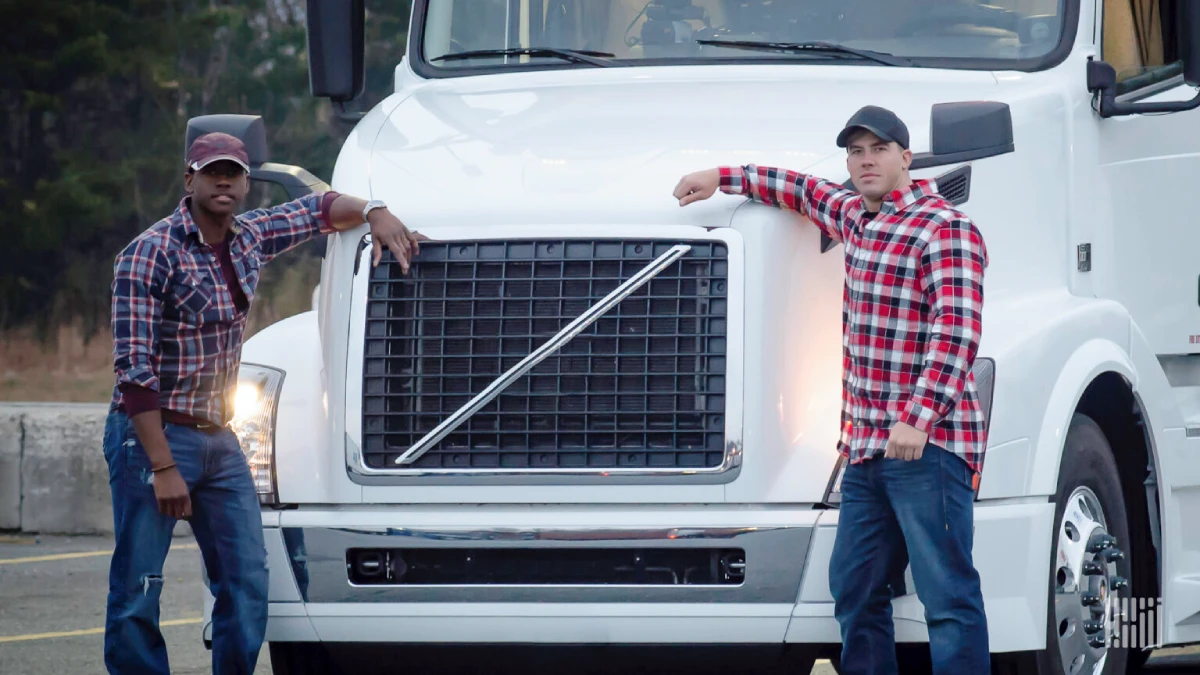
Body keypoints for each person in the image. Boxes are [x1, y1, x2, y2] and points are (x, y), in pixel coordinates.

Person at [672, 105, 991, 675]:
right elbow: (799, 188)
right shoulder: (854, 216)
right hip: (865, 449)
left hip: (929, 448)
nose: (866, 161)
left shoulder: (944, 228)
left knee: (948, 596)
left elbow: (957, 330)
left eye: (878, 149)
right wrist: (722, 176)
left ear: (906, 158)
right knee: (854, 588)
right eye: (856, 152)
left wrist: (918, 418)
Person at [103, 131, 425, 674]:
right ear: (191, 180)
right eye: (212, 172)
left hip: (219, 438)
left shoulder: (249, 237)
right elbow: (133, 375)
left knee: (249, 575)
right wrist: (162, 466)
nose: (223, 180)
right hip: (154, 437)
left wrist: (376, 211)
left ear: (247, 183)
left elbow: (320, 208)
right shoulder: (149, 254)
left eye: (233, 172)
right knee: (140, 581)